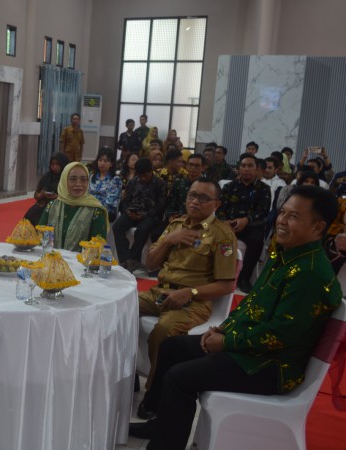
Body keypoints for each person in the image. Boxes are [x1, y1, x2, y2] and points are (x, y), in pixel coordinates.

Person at [129, 185, 342, 450]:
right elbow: (251, 304)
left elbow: (280, 335)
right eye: (283, 213)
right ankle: (159, 421)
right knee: (173, 348)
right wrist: (223, 329)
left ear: (318, 227)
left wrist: (226, 342)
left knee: (179, 377)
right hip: (251, 348)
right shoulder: (286, 256)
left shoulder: (310, 272)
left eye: (294, 216)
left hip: (269, 365)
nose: (282, 221)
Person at [136, 179, 237, 415]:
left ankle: (155, 394)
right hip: (160, 293)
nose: (195, 202)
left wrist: (189, 292)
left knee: (164, 330)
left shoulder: (222, 235)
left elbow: (226, 285)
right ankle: (127, 375)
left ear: (216, 204)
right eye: (192, 195)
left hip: (193, 301)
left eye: (203, 198)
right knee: (121, 309)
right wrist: (169, 240)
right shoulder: (176, 225)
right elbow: (150, 263)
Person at [216, 154, 271, 293]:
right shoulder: (229, 186)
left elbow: (263, 211)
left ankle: (244, 278)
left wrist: (246, 220)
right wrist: (225, 221)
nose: (246, 169)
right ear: (239, 168)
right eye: (243, 166)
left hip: (250, 226)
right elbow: (220, 208)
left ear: (256, 169)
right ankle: (224, 275)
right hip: (229, 225)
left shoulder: (263, 188)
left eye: (250, 166)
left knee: (256, 240)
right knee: (221, 236)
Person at [38, 162, 107, 252]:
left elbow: (98, 248)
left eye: (83, 180)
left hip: (82, 261)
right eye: (73, 179)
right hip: (50, 259)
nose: (78, 184)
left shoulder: (96, 211)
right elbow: (40, 237)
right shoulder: (52, 206)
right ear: (64, 181)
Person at [112, 157, 166, 272]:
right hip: (132, 212)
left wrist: (144, 215)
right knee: (117, 227)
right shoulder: (134, 181)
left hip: (150, 216)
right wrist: (127, 211)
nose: (142, 178)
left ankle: (133, 259)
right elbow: (125, 200)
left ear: (151, 171)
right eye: (140, 175)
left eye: (144, 175)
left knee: (142, 230)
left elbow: (160, 206)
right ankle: (126, 259)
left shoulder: (159, 184)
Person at [24, 152, 69, 226]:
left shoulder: (67, 179)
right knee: (32, 213)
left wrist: (56, 197)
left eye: (57, 164)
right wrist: (42, 194)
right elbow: (36, 195)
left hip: (59, 208)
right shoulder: (46, 176)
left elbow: (70, 198)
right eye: (52, 164)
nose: (54, 167)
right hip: (43, 205)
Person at [88, 146, 122, 219]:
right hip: (90, 208)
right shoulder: (92, 176)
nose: (102, 163)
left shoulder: (115, 180)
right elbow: (87, 194)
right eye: (100, 160)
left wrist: (93, 207)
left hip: (106, 211)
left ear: (111, 164)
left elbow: (110, 202)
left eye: (105, 161)